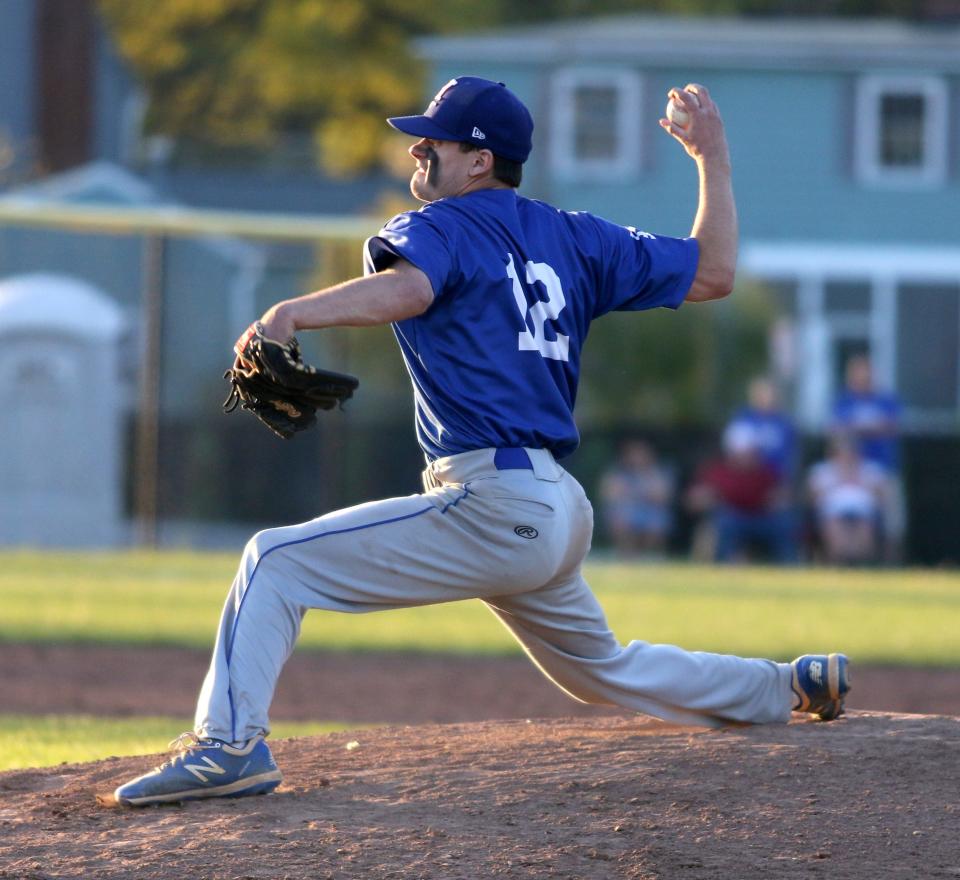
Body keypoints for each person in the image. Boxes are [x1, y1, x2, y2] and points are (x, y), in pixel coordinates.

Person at [114, 76, 849, 807]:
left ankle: (228, 747)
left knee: (272, 561)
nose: (418, 148)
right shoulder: (575, 235)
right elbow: (713, 272)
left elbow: (411, 290)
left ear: (478, 161)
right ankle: (784, 685)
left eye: (435, 139)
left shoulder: (439, 227)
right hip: (556, 506)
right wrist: (711, 160)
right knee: (599, 667)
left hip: (495, 502)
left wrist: (291, 313)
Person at [685, 422, 798, 564]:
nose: (752, 455)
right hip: (731, 518)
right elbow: (693, 500)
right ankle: (727, 563)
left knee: (785, 523)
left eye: (753, 450)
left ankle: (791, 565)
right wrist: (707, 500)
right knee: (723, 522)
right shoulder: (715, 471)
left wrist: (780, 500)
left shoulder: (766, 472)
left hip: (762, 517)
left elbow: (783, 496)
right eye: (748, 450)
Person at [831, 354, 904, 563]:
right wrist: (870, 428)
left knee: (893, 521)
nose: (862, 376)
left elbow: (891, 426)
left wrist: (858, 428)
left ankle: (894, 564)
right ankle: (842, 562)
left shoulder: (885, 399)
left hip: (883, 467)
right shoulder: (843, 401)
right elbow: (837, 431)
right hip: (852, 471)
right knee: (846, 517)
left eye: (866, 371)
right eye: (857, 372)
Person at [807, 432, 889, 565]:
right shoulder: (821, 471)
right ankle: (838, 565)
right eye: (843, 452)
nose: (847, 456)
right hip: (833, 513)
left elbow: (882, 497)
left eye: (851, 452)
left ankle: (859, 566)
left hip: (864, 513)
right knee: (836, 530)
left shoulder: (871, 470)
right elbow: (813, 498)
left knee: (863, 532)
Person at [599, 439, 674, 557]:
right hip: (626, 510)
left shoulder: (658, 472)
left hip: (651, 512)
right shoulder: (617, 473)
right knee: (620, 516)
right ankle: (626, 555)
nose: (637, 457)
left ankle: (650, 555)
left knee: (656, 520)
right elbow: (609, 495)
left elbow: (662, 497)